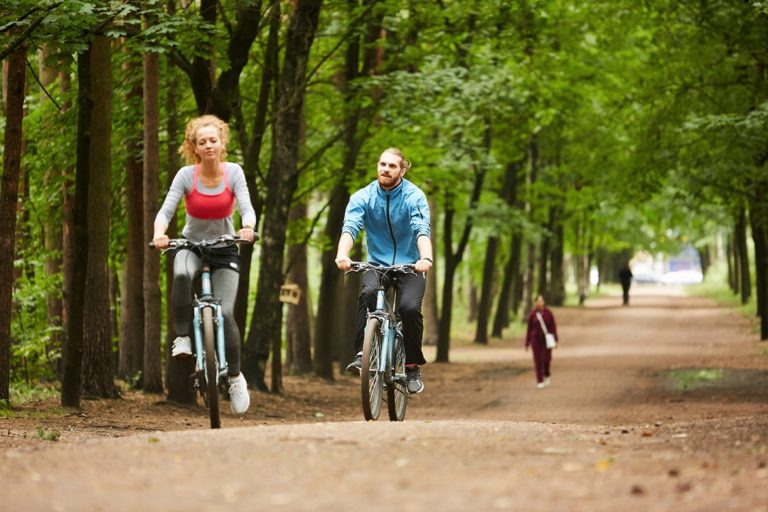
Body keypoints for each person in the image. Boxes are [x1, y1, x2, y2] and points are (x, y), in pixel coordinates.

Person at [151, 114, 256, 414]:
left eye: (213, 140)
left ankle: (235, 377)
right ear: (194, 147)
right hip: (190, 246)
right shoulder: (186, 175)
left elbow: (247, 208)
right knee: (182, 275)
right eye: (202, 142)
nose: (208, 145)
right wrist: (160, 234)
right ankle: (183, 337)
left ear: (222, 143)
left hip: (225, 249)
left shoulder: (234, 172)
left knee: (224, 312)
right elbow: (166, 210)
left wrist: (247, 227)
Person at [335, 148, 433, 394]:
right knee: (368, 294)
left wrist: (425, 258)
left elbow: (422, 229)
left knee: (409, 308)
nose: (385, 169)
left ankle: (411, 365)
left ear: (402, 170)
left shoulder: (414, 196)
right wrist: (342, 254)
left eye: (391, 166)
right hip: (377, 263)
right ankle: (362, 353)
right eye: (382, 164)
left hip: (410, 265)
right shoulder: (363, 196)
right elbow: (350, 227)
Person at [525, 294, 559, 389]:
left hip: (547, 340)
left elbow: (553, 327)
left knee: (546, 359)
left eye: (541, 300)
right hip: (535, 340)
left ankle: (547, 374)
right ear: (535, 303)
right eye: (538, 301)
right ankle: (539, 380)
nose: (539, 302)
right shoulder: (533, 314)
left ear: (543, 302)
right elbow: (529, 329)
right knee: (538, 360)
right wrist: (527, 342)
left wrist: (555, 339)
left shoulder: (548, 313)